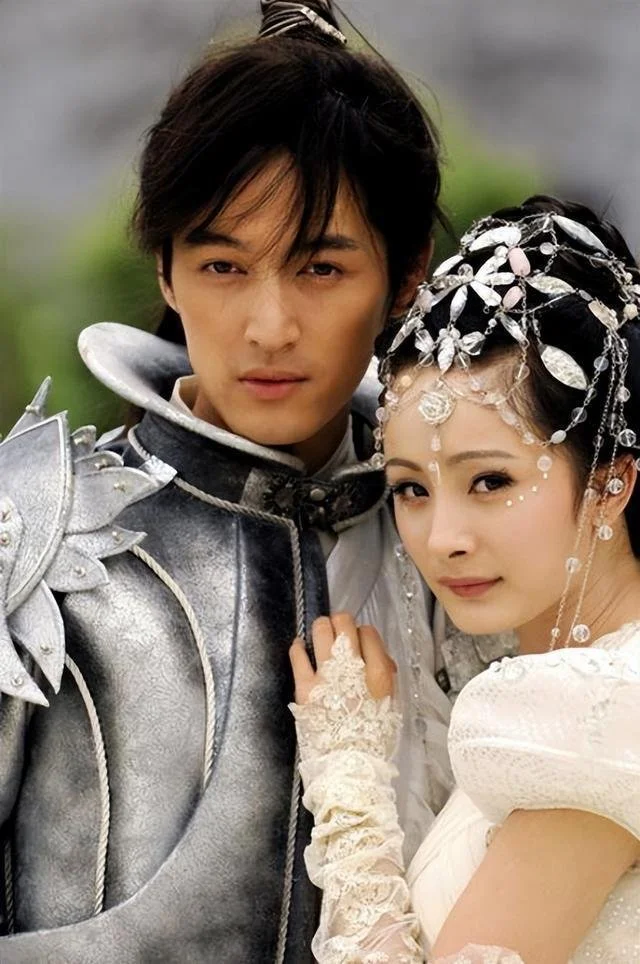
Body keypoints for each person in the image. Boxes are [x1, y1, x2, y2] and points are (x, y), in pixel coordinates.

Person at [0, 2, 489, 960]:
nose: (270, 327)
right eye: (224, 264)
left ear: (406, 277)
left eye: (320, 269)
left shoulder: (466, 545)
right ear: (166, 271)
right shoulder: (30, 532)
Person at [289, 195, 640, 962]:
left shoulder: (599, 717)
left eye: (490, 481)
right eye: (412, 488)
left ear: (610, 483)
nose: (442, 539)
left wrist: (348, 786)